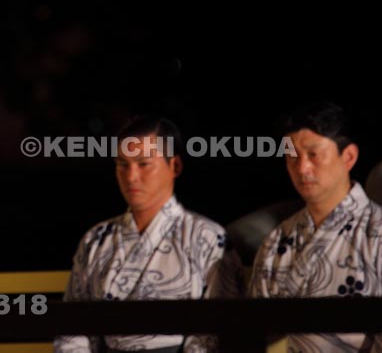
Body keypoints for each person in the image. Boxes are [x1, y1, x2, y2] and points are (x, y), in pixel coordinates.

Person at [55, 116, 242, 353]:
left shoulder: (207, 238)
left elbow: (219, 328)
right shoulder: (96, 239)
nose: (131, 176)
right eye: (123, 165)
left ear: (174, 166)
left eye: (143, 164)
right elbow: (73, 325)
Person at [248, 101, 382, 352]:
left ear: (348, 157)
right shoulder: (277, 241)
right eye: (292, 156)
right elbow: (256, 332)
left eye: (313, 154)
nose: (302, 167)